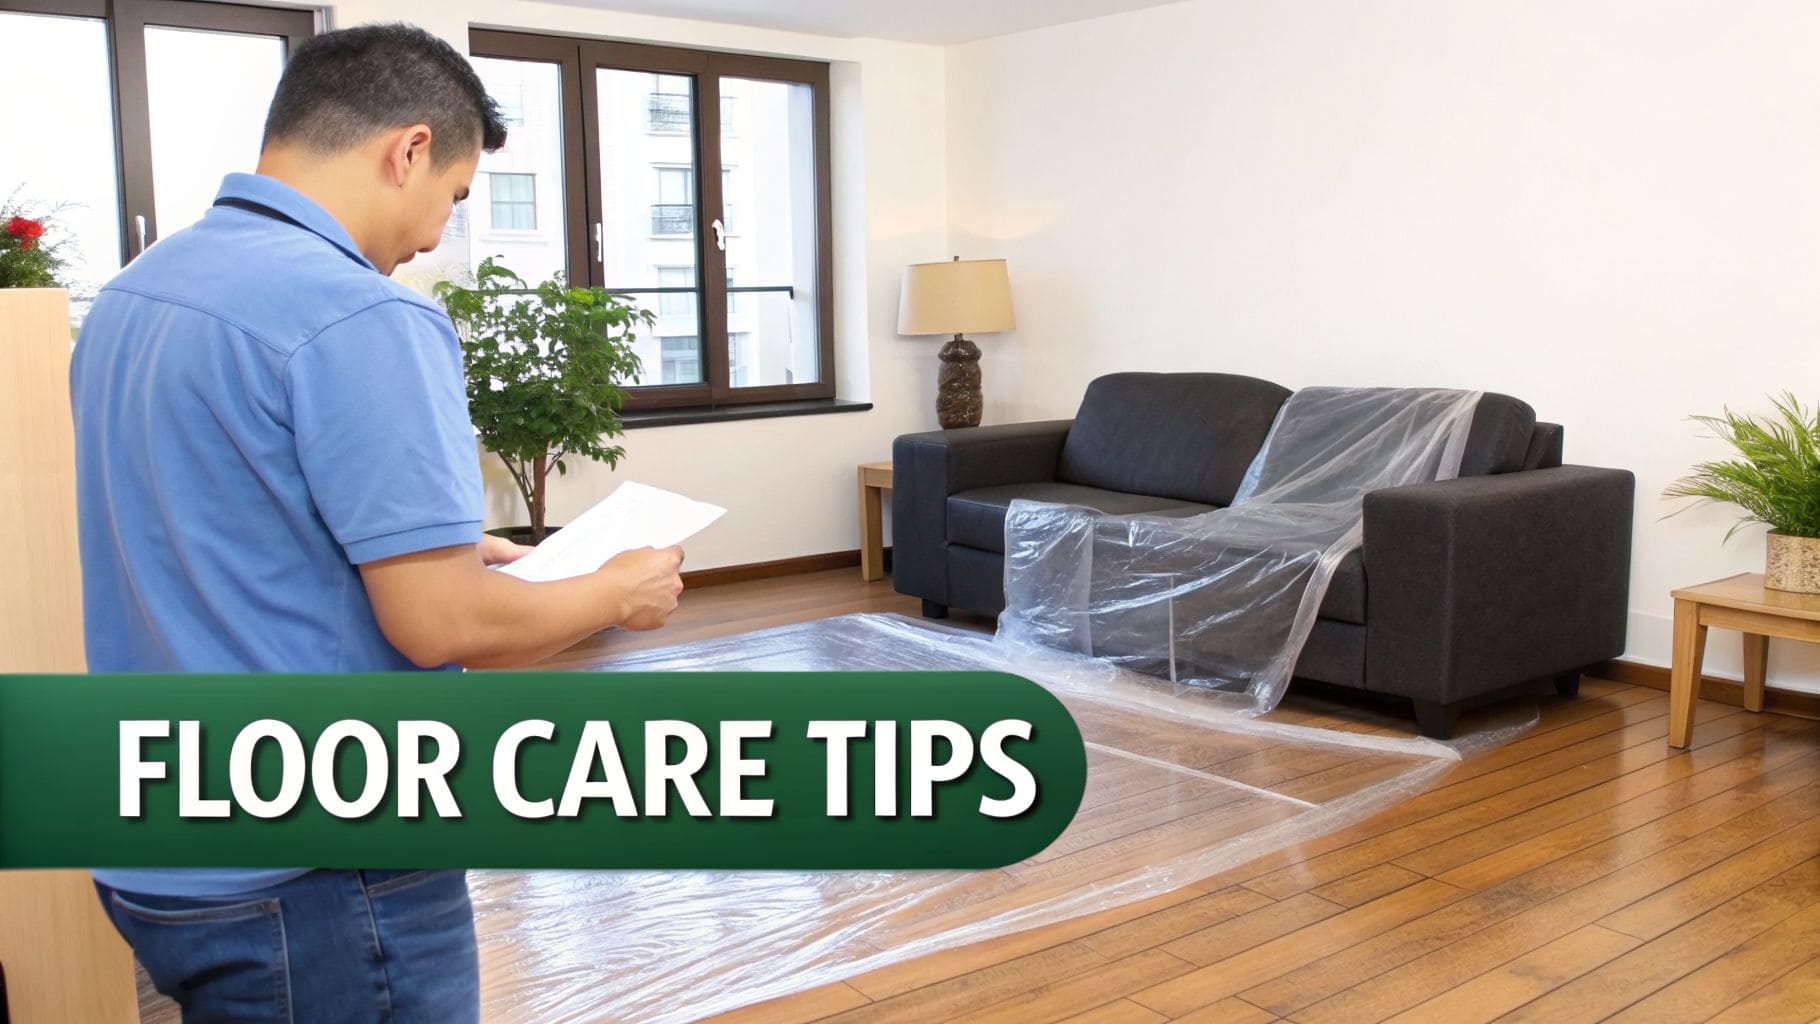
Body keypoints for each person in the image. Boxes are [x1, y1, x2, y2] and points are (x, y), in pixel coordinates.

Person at [69, 22, 684, 1023]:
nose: (438, 235)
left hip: (160, 843)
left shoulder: (132, 298)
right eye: (450, 196)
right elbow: (439, 625)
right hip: (320, 863)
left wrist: (433, 543)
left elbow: (217, 525)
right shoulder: (361, 315)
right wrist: (618, 589)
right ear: (406, 149)